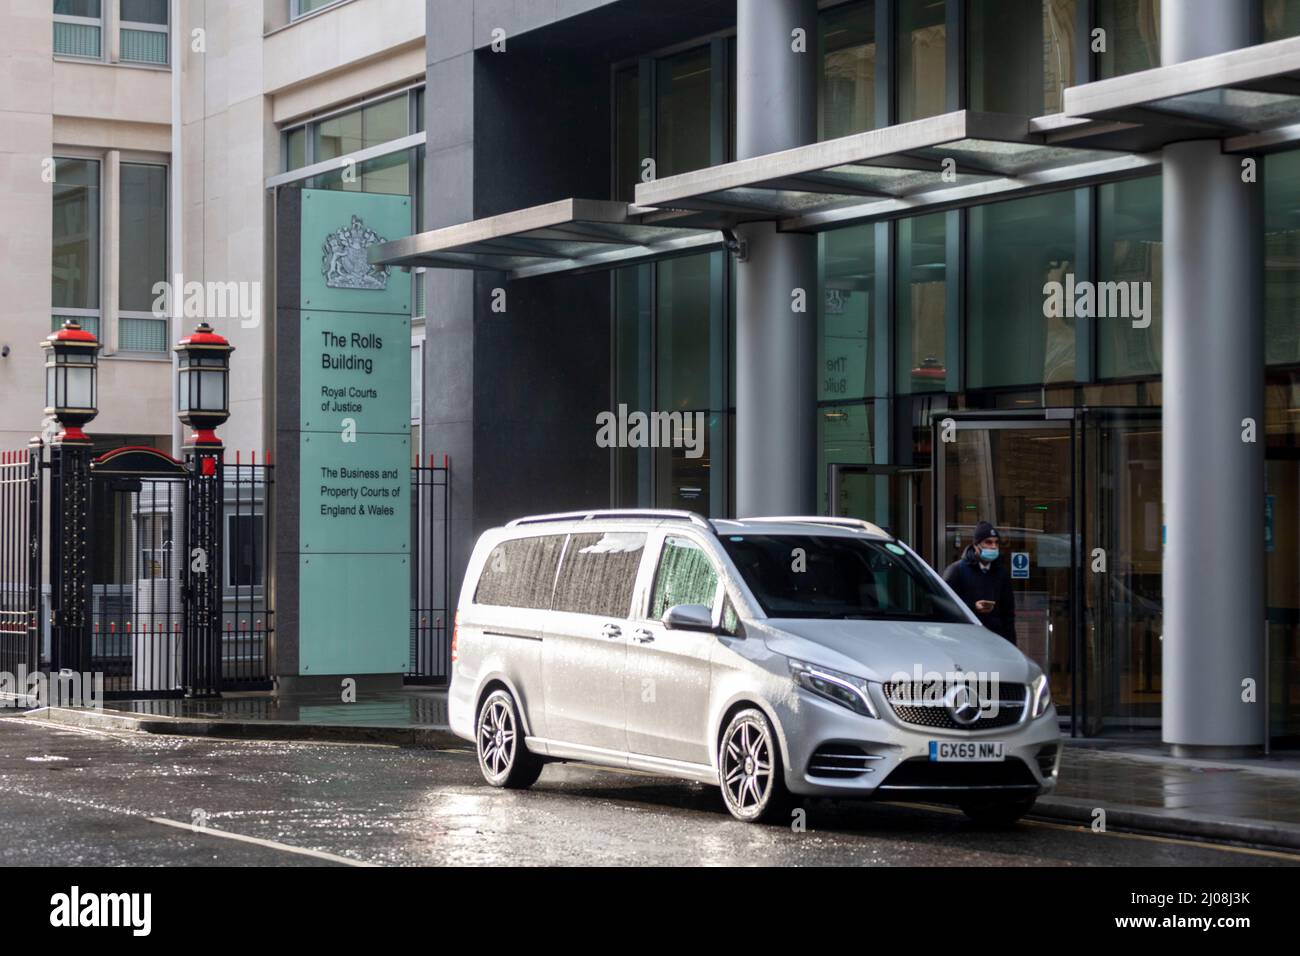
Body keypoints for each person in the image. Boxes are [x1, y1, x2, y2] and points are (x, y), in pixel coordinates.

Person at [942, 521, 1016, 644]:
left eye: (996, 542)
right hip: (965, 640)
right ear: (976, 545)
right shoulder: (957, 570)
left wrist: (1011, 645)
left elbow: (1008, 614)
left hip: (995, 640)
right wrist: (973, 607)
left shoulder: (1001, 573)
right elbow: (945, 605)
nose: (993, 546)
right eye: (988, 542)